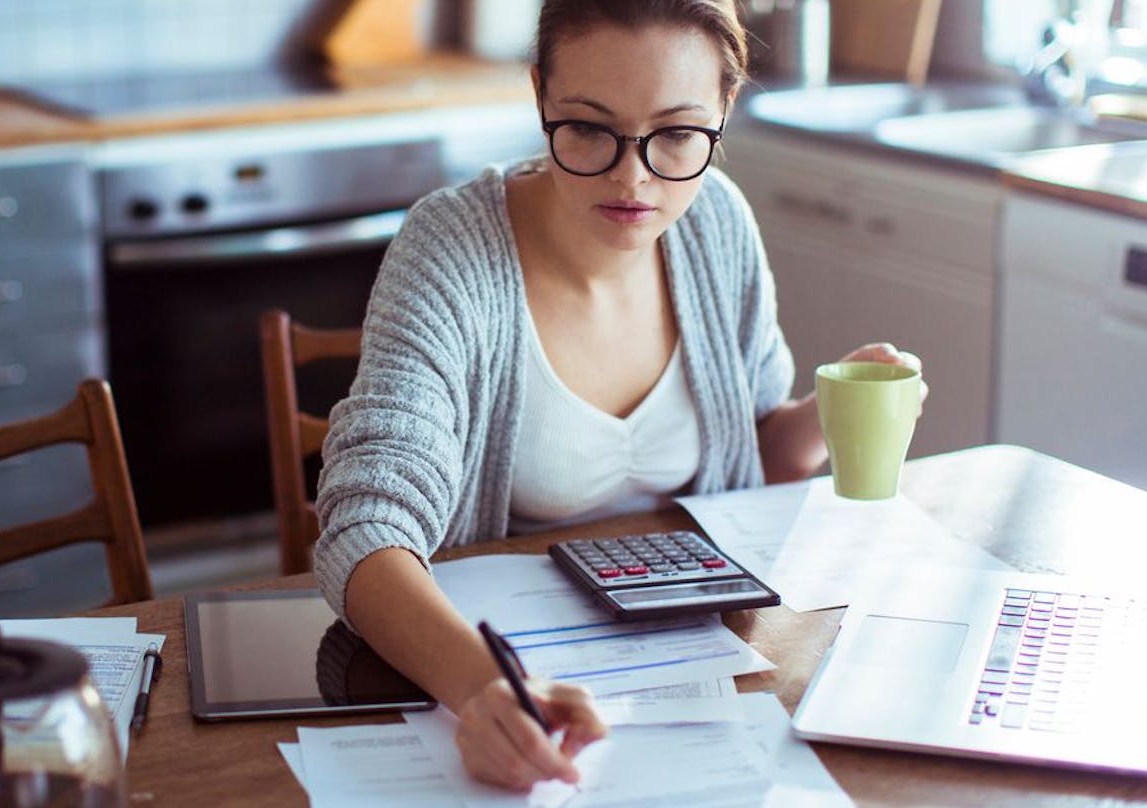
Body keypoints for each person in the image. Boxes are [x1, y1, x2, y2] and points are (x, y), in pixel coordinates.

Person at [312, 0, 922, 791]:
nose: (633, 177)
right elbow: (363, 527)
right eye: (591, 129)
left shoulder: (718, 227)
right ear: (540, 97)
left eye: (676, 134)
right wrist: (481, 689)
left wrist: (824, 416)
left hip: (702, 686)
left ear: (723, 111)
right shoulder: (452, 250)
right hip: (497, 671)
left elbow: (749, 451)